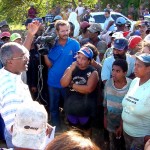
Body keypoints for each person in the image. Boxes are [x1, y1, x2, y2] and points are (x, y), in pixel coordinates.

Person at [43, 20, 80, 130]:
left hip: (68, 83)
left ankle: (70, 130)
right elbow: (49, 64)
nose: (65, 33)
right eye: (62, 31)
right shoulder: (51, 45)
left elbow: (78, 63)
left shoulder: (75, 44)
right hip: (53, 82)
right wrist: (44, 54)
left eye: (67, 30)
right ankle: (56, 130)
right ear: (57, 31)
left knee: (69, 107)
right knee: (54, 108)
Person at [60, 47, 99, 137]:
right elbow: (63, 83)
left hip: (85, 109)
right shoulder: (71, 68)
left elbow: (88, 89)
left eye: (83, 59)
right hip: (71, 108)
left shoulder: (93, 72)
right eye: (78, 57)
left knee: (86, 133)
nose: (80, 60)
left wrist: (72, 85)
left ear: (89, 61)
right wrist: (71, 68)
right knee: (73, 134)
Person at [122, 53, 150, 150]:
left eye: (139, 66)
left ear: (148, 69)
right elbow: (127, 105)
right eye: (135, 64)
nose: (135, 68)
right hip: (127, 132)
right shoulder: (134, 81)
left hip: (141, 137)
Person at [103, 59, 132, 150]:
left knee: (125, 145)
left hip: (126, 123)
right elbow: (105, 103)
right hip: (111, 120)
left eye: (118, 71)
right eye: (113, 70)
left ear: (125, 72)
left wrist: (121, 125)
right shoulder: (108, 83)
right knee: (114, 144)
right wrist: (105, 118)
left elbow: (130, 108)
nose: (114, 73)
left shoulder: (131, 85)